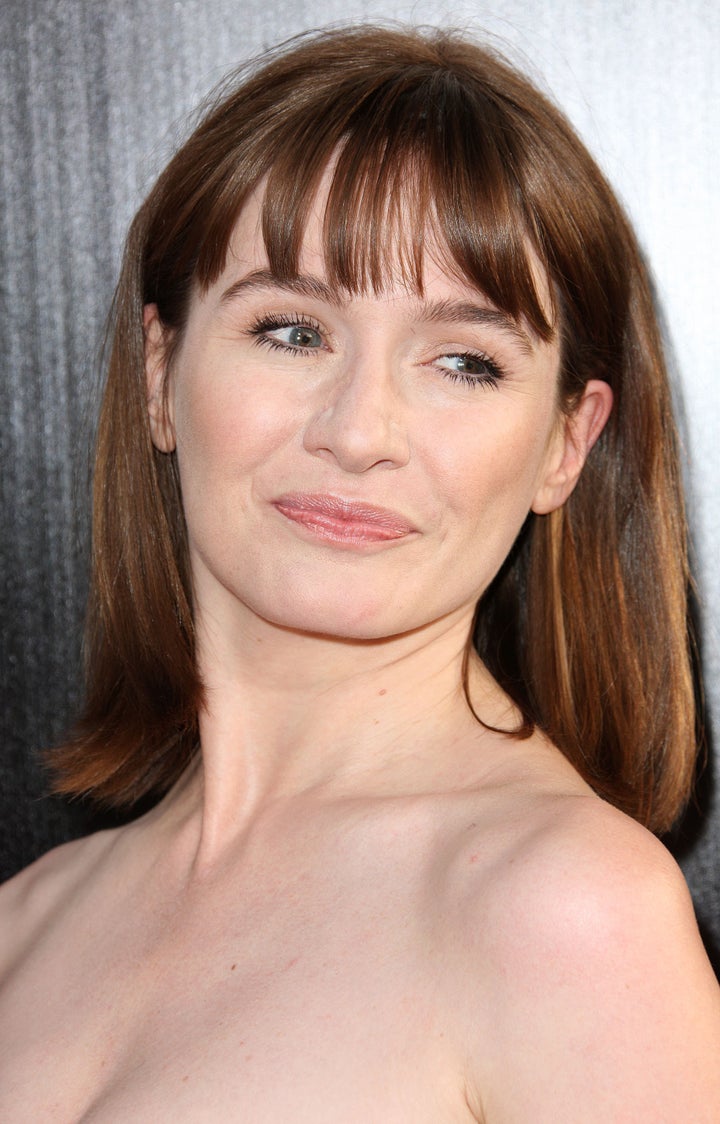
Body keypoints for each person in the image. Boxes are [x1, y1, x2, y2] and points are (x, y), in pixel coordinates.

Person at [1, 23, 719, 1121]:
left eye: (465, 360)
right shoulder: (26, 923)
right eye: (292, 331)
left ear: (565, 445)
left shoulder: (568, 913)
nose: (360, 428)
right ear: (160, 372)